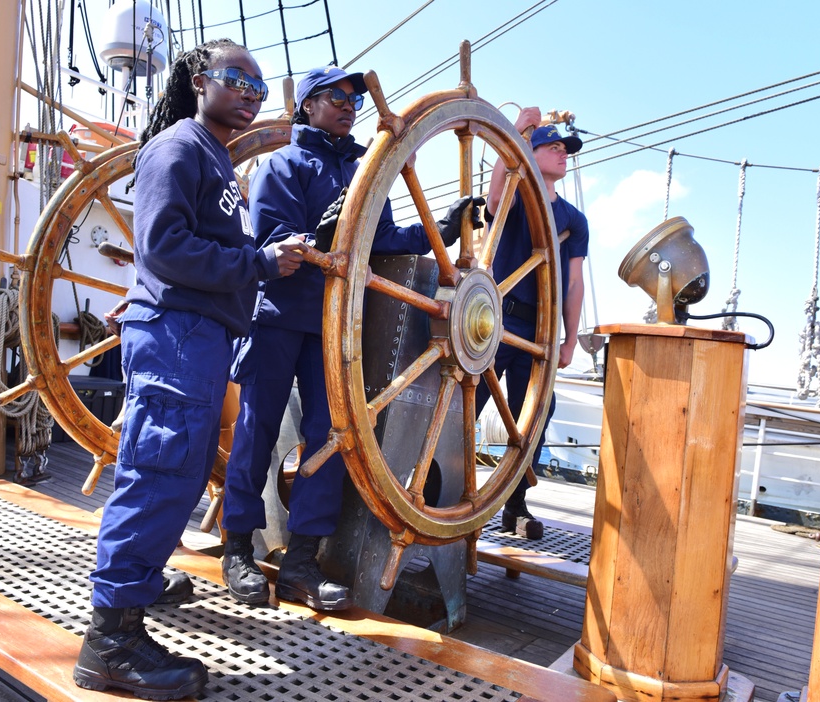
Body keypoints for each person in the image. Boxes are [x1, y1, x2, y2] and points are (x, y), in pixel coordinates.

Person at [72, 39, 305, 700]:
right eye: (237, 79)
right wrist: (262, 263)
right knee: (159, 474)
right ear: (202, 82)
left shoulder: (211, 157)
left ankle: (137, 587)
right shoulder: (179, 148)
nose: (252, 93)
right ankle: (110, 642)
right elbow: (165, 248)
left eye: (259, 85)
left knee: (174, 472)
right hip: (177, 333)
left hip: (197, 337)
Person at [221, 65, 482, 611]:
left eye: (353, 99)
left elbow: (381, 239)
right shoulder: (281, 167)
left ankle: (299, 567)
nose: (347, 105)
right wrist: (320, 236)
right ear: (307, 107)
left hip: (335, 330)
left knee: (331, 437)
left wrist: (442, 227)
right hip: (276, 320)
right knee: (256, 433)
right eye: (334, 96)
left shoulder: (364, 175)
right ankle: (239, 551)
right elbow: (270, 246)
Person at [480, 107, 588, 540]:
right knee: (461, 403)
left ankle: (514, 504)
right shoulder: (513, 195)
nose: (564, 155)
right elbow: (493, 197)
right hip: (488, 320)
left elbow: (574, 282)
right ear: (531, 149)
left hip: (536, 330)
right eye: (554, 147)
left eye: (567, 149)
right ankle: (438, 487)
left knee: (536, 413)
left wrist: (569, 340)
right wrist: (517, 131)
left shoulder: (574, 221)